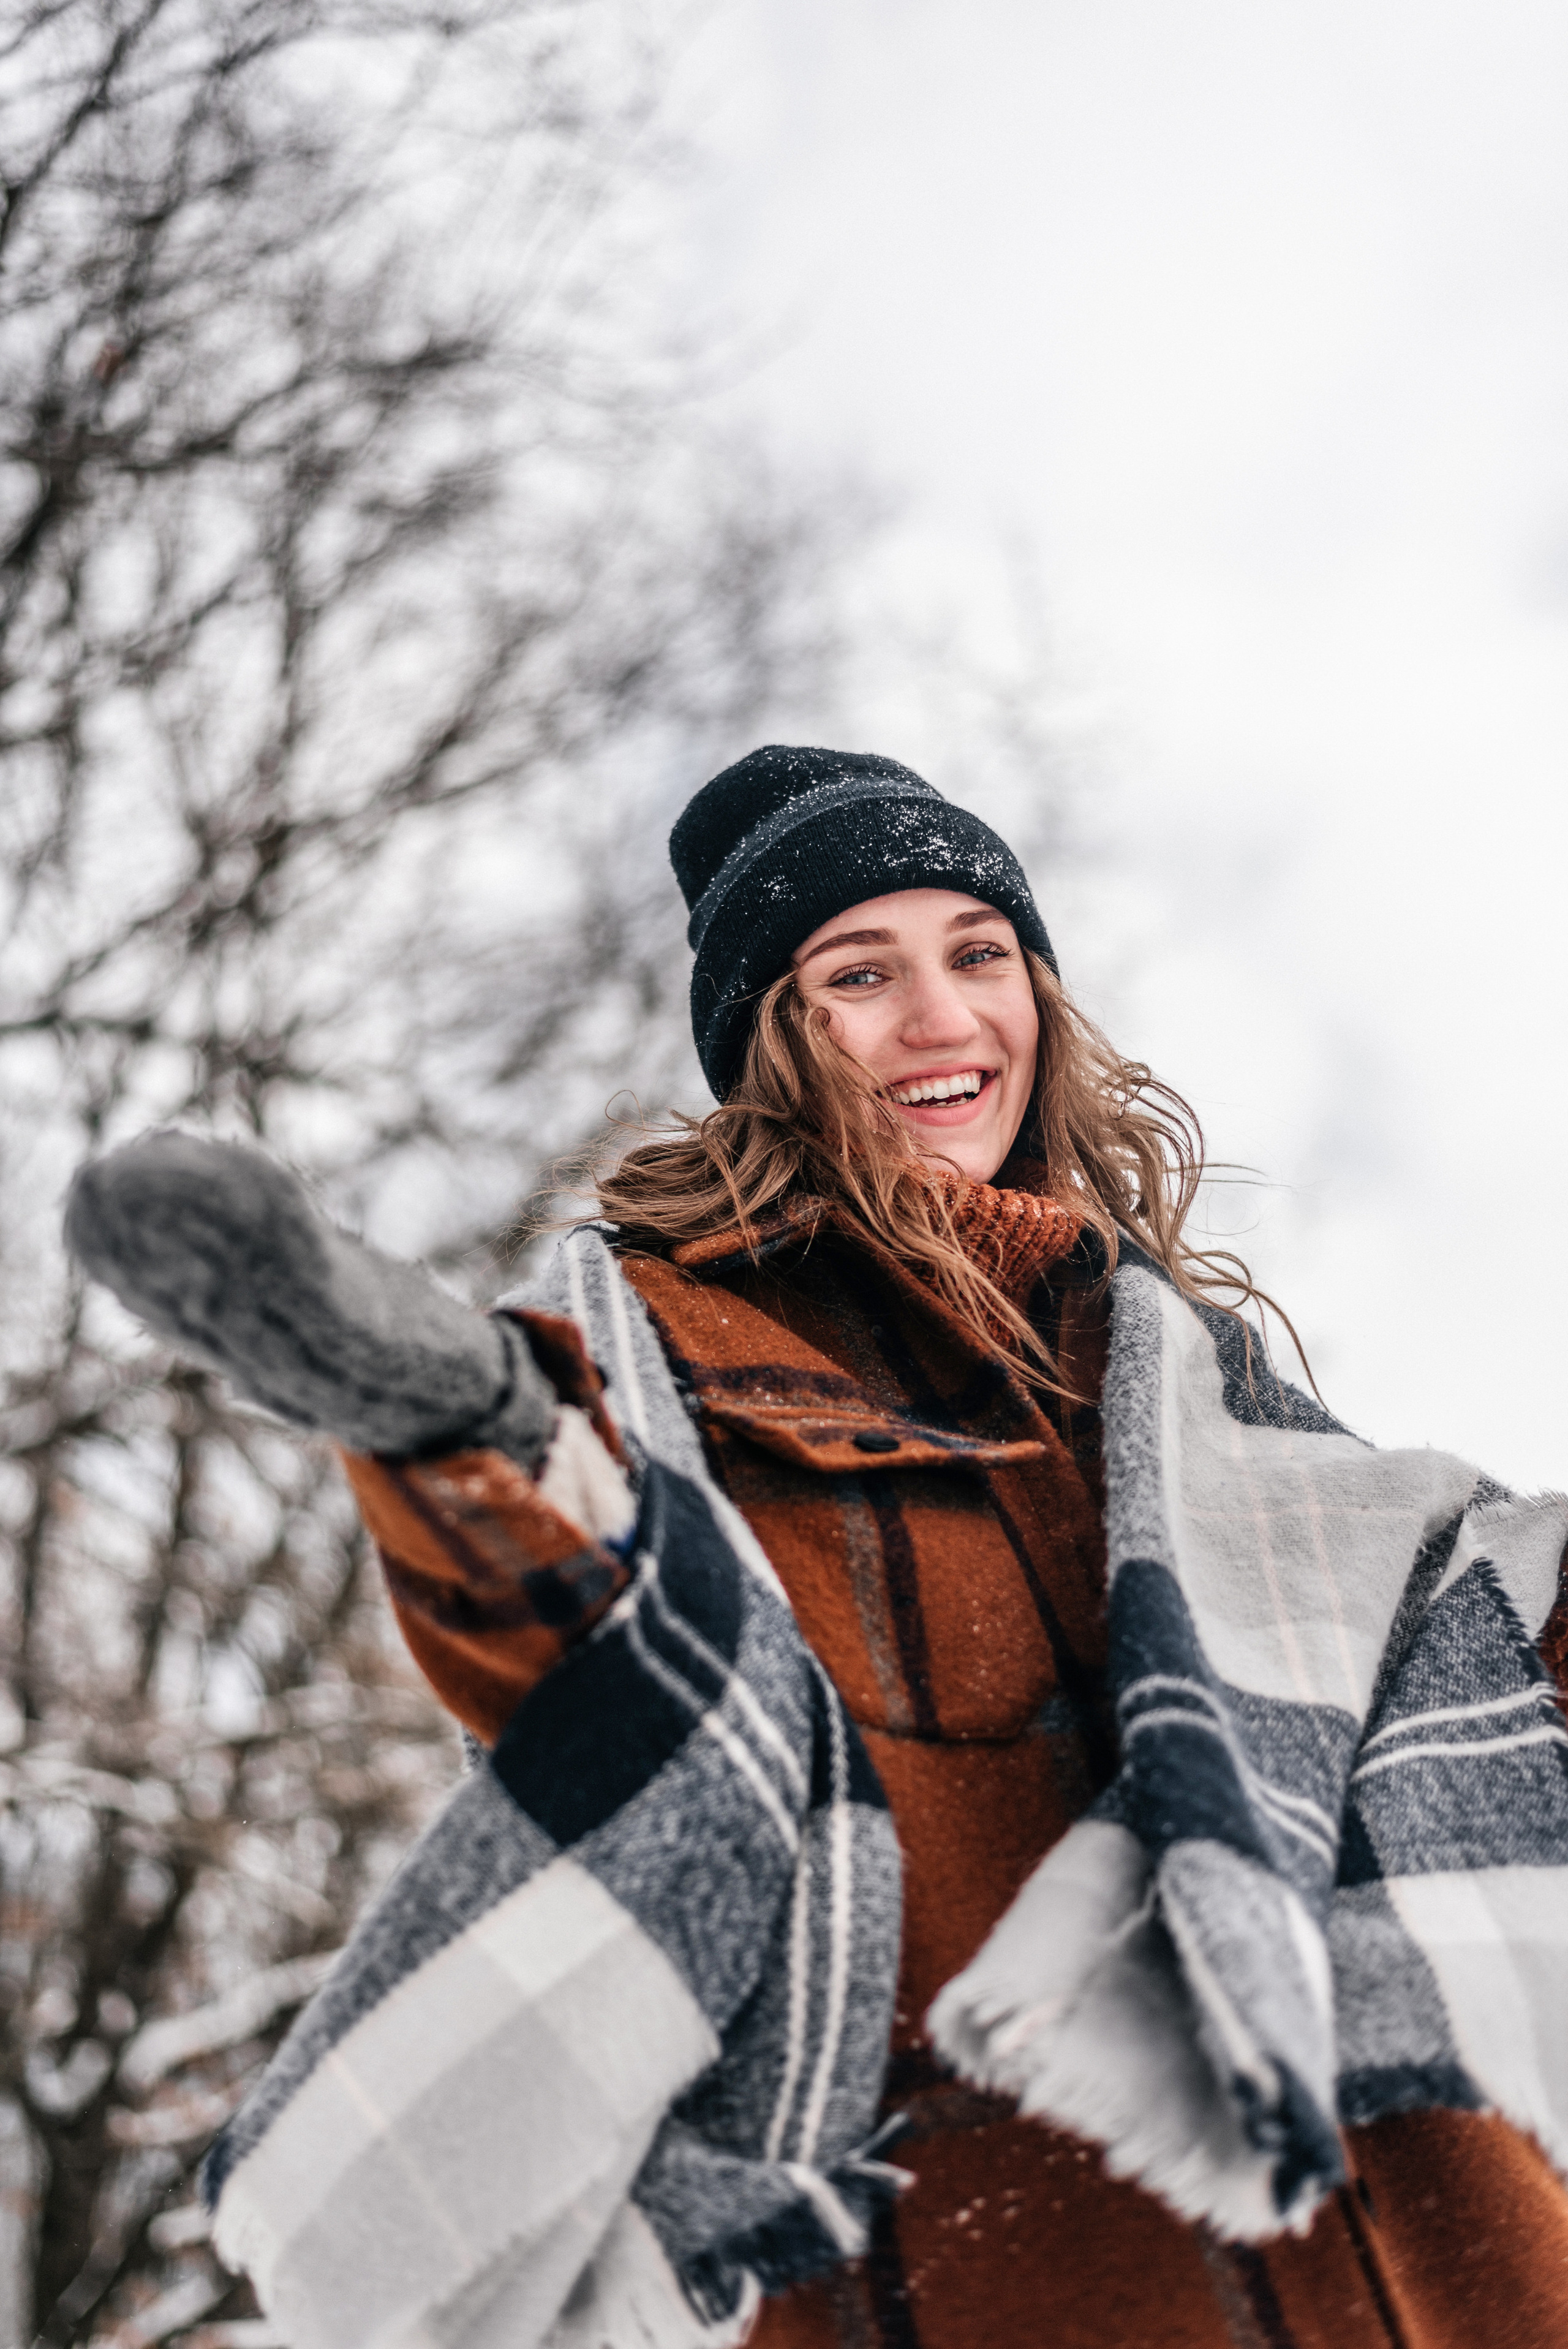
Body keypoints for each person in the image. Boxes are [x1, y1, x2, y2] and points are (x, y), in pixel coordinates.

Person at [67, 746, 1568, 2349]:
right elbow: (607, 1647)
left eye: (979, 954)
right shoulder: (673, 1341)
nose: (943, 1018)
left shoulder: (1196, 1378)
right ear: (774, 1037)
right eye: (863, 972)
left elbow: (1477, 1677)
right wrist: (454, 1427)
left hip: (1435, 2230)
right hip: (979, 2252)